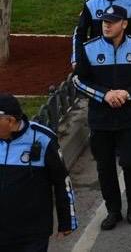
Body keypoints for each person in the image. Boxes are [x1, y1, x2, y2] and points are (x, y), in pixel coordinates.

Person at [72, 5, 131, 230]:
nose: (107, 25)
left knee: (129, 162)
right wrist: (104, 94)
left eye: (112, 21)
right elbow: (79, 80)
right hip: (100, 120)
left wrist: (128, 94)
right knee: (105, 166)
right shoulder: (89, 48)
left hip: (128, 118)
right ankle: (113, 210)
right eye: (104, 22)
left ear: (124, 24)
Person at [0, 93, 77, 249]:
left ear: (10, 121)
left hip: (32, 231)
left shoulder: (44, 139)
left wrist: (66, 220)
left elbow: (62, 181)